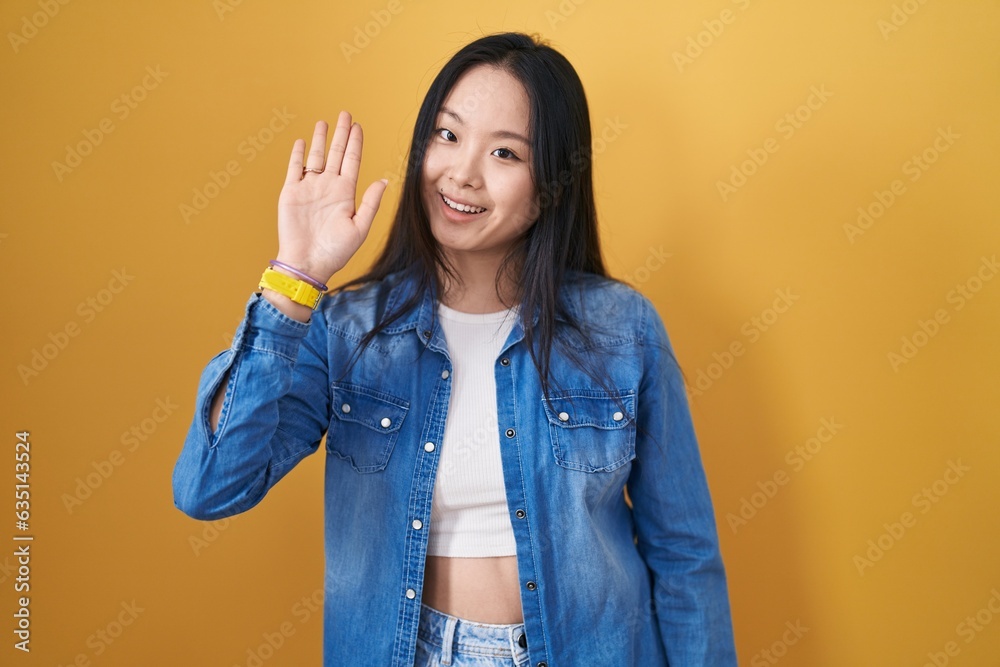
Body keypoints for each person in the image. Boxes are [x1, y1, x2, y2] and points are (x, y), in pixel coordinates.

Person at [172, 31, 736, 667]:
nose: (462, 173)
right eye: (448, 135)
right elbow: (211, 487)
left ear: (550, 184)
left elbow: (684, 553)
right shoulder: (350, 330)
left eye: (504, 153)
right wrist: (294, 278)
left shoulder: (621, 328)